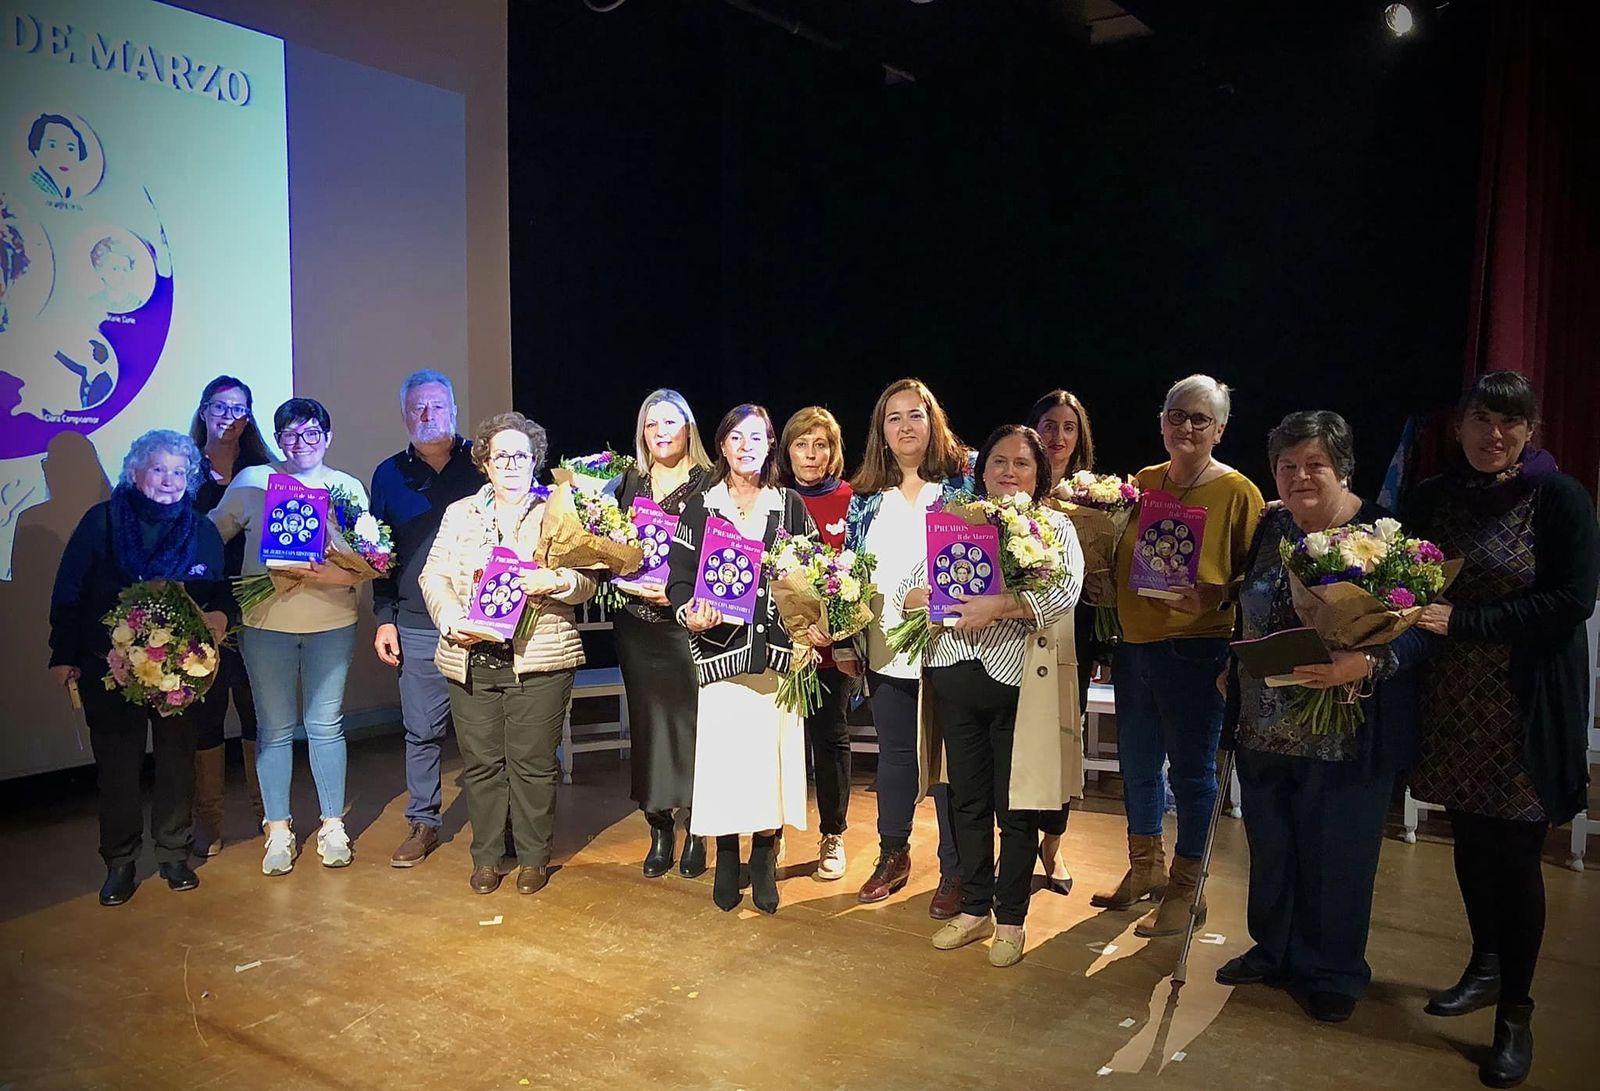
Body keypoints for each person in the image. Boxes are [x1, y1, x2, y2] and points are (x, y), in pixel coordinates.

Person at [1405, 372, 1599, 1089]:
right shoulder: (1431, 496)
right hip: (1452, 701)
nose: (1495, 435)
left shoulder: (1560, 497)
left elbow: (1572, 600)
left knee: (1516, 859)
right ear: (1460, 426)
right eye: (1482, 419)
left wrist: (1467, 621)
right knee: (1469, 839)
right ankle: (1484, 965)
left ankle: (1515, 1012)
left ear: (1531, 429)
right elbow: (1405, 584)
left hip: (1522, 705)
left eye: (1510, 423)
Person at [1219, 411, 1422, 1023]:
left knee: (1337, 855)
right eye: (1287, 466)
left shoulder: (1382, 535)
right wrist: (1232, 663)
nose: (1299, 476)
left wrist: (1362, 665)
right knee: (1273, 846)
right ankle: (1274, 949)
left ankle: (1333, 968)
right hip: (1264, 724)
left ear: (1343, 469)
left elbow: (1420, 633)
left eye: (1315, 465)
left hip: (1345, 729)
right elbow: (1250, 605)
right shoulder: (1272, 526)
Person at [898, 425, 1083, 966]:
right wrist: (931, 595)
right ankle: (974, 908)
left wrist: (998, 605)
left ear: (1039, 472)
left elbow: (1063, 592)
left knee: (1017, 806)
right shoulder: (957, 521)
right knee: (967, 803)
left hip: (1019, 687)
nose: (1008, 472)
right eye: (998, 462)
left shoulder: (1053, 527)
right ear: (982, 472)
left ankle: (1011, 919)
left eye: (1021, 463)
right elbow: (914, 587)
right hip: (954, 680)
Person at [1098, 374, 1265, 937]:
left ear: (1219, 428)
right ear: (1161, 421)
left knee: (1192, 774)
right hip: (1135, 644)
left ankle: (1187, 889)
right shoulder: (1142, 483)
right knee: (1139, 766)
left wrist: (1219, 592)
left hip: (1198, 648)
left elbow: (1261, 578)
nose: (1186, 427)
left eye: (1199, 418)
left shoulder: (1239, 492)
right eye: (1176, 415)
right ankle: (1144, 868)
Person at [48, 430, 233, 905]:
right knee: (117, 768)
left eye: (178, 471)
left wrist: (220, 616)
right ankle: (120, 862)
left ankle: (173, 852)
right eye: (158, 469)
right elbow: (69, 592)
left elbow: (219, 595)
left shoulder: (201, 529)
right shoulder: (101, 523)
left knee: (176, 763)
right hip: (109, 669)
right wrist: (64, 654)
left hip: (179, 673)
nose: (169, 480)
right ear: (135, 472)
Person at [420, 412, 597, 895]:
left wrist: (554, 580)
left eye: (522, 454)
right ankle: (486, 857)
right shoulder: (459, 513)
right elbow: (432, 576)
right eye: (502, 455)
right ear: (485, 463)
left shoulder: (559, 511)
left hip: (538, 657)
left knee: (533, 764)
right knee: (481, 765)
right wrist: (451, 618)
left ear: (536, 460)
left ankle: (535, 858)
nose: (512, 463)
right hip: (470, 656)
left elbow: (588, 579)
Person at [666, 404, 819, 914]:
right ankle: (728, 856)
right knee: (727, 765)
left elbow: (816, 577)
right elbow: (680, 579)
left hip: (778, 659)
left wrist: (815, 622)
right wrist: (691, 611)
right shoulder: (701, 506)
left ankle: (764, 857)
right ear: (723, 445)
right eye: (736, 437)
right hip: (721, 655)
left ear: (769, 443)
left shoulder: (790, 505)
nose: (746, 446)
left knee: (770, 764)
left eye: (756, 437)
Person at [211, 398, 369, 876]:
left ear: (328, 436)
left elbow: (368, 554)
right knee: (275, 730)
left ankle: (332, 824)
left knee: (327, 726)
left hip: (332, 624)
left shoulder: (346, 487)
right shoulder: (253, 481)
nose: (300, 444)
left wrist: (340, 563)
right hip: (266, 626)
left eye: (311, 433)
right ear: (277, 439)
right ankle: (277, 828)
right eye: (289, 435)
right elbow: (212, 533)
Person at [841, 378, 971, 916]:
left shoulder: (961, 492)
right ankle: (893, 853)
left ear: (932, 422)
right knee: (895, 760)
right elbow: (847, 576)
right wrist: (848, 640)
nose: (905, 426)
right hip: (886, 648)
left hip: (950, 648)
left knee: (947, 767)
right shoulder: (866, 502)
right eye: (893, 418)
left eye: (914, 415)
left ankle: (956, 869)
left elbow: (977, 568)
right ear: (881, 432)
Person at [370, 369, 484, 867]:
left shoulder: (483, 464)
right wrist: (384, 617)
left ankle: (494, 822)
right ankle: (423, 823)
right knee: (421, 732)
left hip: (481, 620)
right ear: (403, 415)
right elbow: (379, 556)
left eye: (437, 406)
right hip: (415, 625)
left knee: (483, 730)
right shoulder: (388, 475)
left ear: (455, 411)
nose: (427, 414)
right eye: (417, 407)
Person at [606, 389, 714, 878]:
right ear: (643, 433)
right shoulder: (625, 484)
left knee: (691, 727)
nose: (662, 431)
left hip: (684, 626)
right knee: (648, 727)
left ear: (688, 428)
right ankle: (658, 825)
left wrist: (679, 593)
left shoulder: (710, 485)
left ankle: (696, 825)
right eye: (653, 424)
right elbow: (602, 546)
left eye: (672, 422)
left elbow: (721, 555)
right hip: (635, 625)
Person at [185, 376, 272, 855]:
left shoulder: (263, 471)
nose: (229, 416)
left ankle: (268, 814)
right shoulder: (182, 471)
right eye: (220, 406)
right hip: (197, 610)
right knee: (207, 717)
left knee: (258, 714)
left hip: (256, 606)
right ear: (203, 411)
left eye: (240, 408)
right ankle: (210, 824)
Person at [1026, 388, 1101, 896]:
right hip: (1011, 633)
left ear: (1080, 438)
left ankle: (1052, 848)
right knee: (1015, 744)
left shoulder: (1095, 497)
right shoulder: (1014, 484)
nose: (1058, 436)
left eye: (1068, 427)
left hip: (1076, 630)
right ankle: (1009, 846)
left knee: (1061, 741)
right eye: (1049, 425)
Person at [776, 405, 855, 881]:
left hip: (830, 647)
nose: (811, 454)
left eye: (820, 444)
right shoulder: (772, 498)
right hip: (783, 650)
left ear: (833, 451)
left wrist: (837, 629)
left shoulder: (850, 499)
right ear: (786, 450)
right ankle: (774, 831)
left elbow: (858, 573)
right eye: (801, 444)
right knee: (780, 743)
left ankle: (833, 834)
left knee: (830, 739)